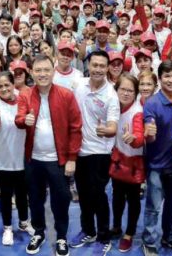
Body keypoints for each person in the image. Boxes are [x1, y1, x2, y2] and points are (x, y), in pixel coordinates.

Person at [15, 54, 82, 256]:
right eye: (38, 70)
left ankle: (61, 236)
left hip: (58, 160)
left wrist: (71, 158)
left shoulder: (66, 95)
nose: (42, 74)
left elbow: (76, 128)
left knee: (60, 200)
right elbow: (19, 117)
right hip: (33, 159)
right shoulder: (25, 95)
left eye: (46, 70)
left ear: (53, 71)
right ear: (32, 73)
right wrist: (22, 120)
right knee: (35, 198)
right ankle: (39, 232)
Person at [71, 50, 118, 253]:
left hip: (100, 153)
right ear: (88, 66)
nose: (98, 69)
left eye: (102, 66)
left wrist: (107, 130)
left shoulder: (111, 95)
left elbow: (113, 126)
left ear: (107, 68)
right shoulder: (79, 85)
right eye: (95, 65)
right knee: (83, 194)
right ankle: (88, 230)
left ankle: (103, 236)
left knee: (98, 195)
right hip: (80, 151)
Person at [142, 60, 172, 256]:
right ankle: (149, 241)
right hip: (156, 165)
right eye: (166, 76)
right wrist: (150, 132)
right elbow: (150, 133)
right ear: (160, 79)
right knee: (153, 207)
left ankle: (168, 236)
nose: (171, 80)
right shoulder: (152, 103)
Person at [0, 71, 34, 246]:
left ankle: (23, 222)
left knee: (22, 194)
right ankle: (7, 227)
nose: (4, 88)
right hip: (3, 159)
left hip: (22, 158)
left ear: (13, 84)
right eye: (0, 86)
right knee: (5, 195)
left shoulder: (23, 102)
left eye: (7, 84)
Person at [110, 73, 145, 252]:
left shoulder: (137, 112)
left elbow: (139, 136)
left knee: (133, 199)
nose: (126, 93)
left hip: (133, 163)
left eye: (130, 90)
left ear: (136, 93)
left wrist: (133, 139)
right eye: (122, 89)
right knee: (116, 196)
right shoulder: (114, 107)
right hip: (118, 158)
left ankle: (129, 233)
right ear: (116, 90)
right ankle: (116, 226)